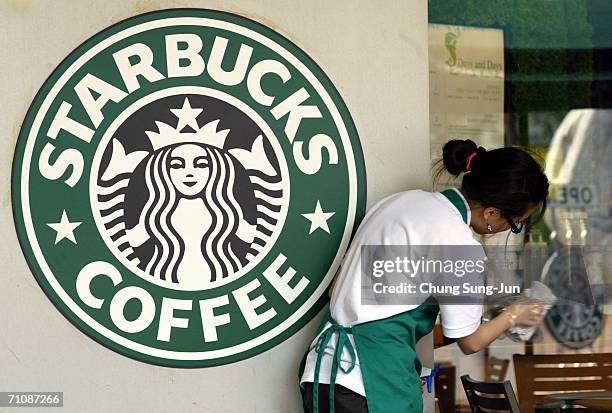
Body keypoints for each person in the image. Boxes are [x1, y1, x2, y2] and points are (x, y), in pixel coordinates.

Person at [298, 139, 550, 413]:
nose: (506, 230)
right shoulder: (459, 243)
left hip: (323, 374)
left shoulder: (400, 202)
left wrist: (400, 368)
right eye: (515, 224)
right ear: (491, 212)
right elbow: (470, 341)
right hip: (369, 387)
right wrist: (515, 315)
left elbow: (337, 290)